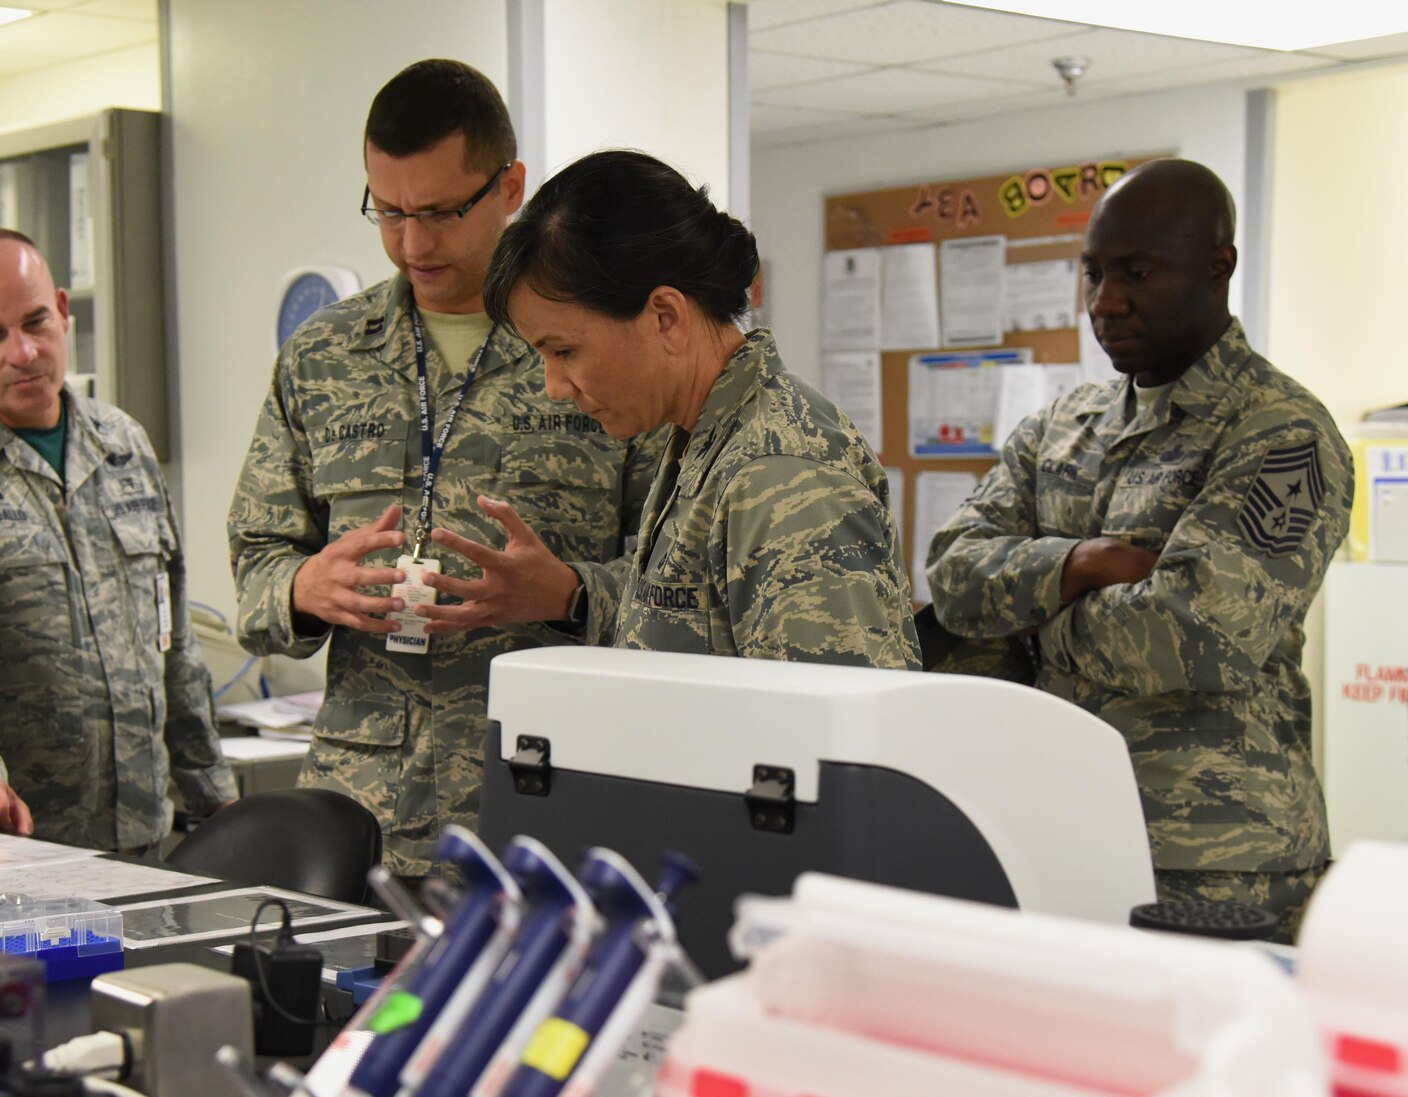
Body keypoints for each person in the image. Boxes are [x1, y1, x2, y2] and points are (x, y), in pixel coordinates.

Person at [228, 61, 662, 876]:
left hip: (543, 802)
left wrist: (569, 596)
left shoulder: (591, 341)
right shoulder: (322, 357)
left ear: (510, 187)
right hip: (358, 823)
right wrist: (302, 588)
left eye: (438, 212)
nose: (411, 243)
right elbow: (256, 560)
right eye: (386, 211)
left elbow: (682, 587)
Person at [926, 159, 1352, 937]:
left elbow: (1195, 635)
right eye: (1092, 273)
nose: (1105, 302)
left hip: (1214, 857)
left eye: (1137, 273)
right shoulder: (1061, 427)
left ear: (1216, 267)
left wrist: (1028, 621)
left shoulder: (1279, 433)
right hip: (1055, 826)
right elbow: (952, 573)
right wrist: (1078, 566)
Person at [462, 149, 919, 668]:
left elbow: (834, 730)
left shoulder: (778, 474)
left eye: (565, 352)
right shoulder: (705, 443)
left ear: (663, 317)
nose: (554, 387)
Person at [0, 227, 235, 853]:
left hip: (142, 832)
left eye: (36, 322)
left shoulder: (122, 443)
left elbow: (173, 636)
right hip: (16, 838)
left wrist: (214, 794)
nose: (23, 352)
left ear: (62, 308)